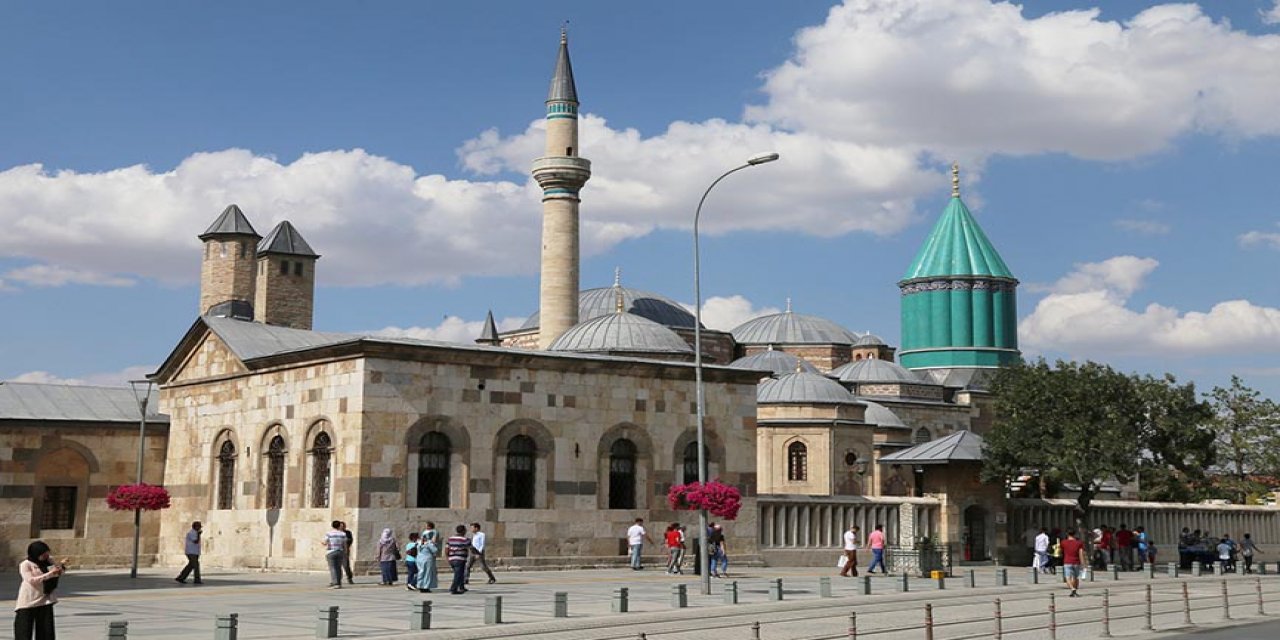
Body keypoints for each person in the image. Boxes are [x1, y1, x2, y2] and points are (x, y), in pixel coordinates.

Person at [14, 540, 63, 640]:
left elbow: (55, 574)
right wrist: (50, 574)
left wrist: (60, 568)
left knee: (46, 631)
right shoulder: (25, 565)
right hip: (29, 600)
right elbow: (31, 580)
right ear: (36, 554)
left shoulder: (49, 561)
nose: (46, 556)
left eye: (47, 554)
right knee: (24, 630)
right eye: (43, 554)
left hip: (45, 599)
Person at [1060, 529, 1087, 598]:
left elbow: (1060, 551)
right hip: (1076, 562)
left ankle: (1072, 589)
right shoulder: (1079, 543)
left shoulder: (1063, 542)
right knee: (1076, 577)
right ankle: (1074, 591)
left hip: (1067, 562)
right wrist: (1083, 564)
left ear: (1067, 534)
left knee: (1067, 577)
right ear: (1075, 534)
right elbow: (1081, 554)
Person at [321, 521, 347, 589]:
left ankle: (335, 583)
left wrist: (323, 543)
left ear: (332, 526)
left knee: (332, 568)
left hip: (331, 551)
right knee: (338, 567)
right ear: (339, 526)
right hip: (340, 551)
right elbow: (345, 544)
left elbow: (325, 542)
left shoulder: (329, 533)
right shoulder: (343, 534)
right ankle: (338, 582)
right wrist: (345, 552)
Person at [446, 525, 470, 594]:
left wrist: (447, 557)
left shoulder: (450, 539)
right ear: (463, 531)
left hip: (452, 558)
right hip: (460, 559)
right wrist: (478, 553)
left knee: (460, 573)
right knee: (458, 574)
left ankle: (461, 586)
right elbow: (471, 548)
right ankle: (453, 588)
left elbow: (447, 548)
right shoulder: (465, 539)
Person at [416, 522, 439, 592]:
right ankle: (426, 587)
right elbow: (435, 550)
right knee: (427, 573)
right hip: (427, 559)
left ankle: (420, 585)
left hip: (420, 559)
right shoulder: (429, 543)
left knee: (421, 572)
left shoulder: (419, 543)